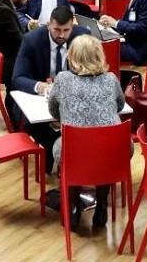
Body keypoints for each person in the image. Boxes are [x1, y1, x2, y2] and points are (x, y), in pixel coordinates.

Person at [48, 34, 126, 229]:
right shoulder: (111, 79)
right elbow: (119, 105)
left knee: (67, 147)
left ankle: (74, 206)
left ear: (72, 57)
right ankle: (102, 204)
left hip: (75, 153)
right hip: (111, 153)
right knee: (105, 150)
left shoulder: (63, 79)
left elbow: (53, 111)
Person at [9, 7, 90, 175]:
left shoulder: (83, 37)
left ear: (72, 27)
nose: (61, 35)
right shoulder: (31, 40)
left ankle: (73, 168)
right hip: (38, 99)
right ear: (48, 25)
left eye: (66, 30)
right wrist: (42, 87)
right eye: (57, 29)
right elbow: (17, 78)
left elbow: (92, 73)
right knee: (42, 130)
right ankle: (57, 160)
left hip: (72, 99)